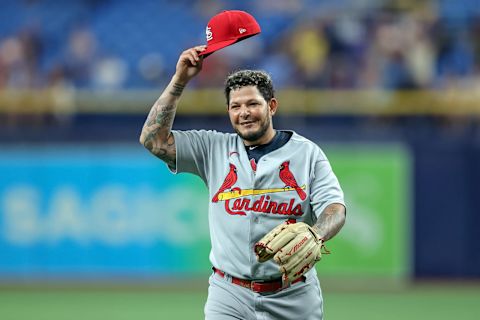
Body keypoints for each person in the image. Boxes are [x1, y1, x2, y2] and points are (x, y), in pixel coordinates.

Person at [139, 45, 346, 320]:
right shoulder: (212, 148)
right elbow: (153, 140)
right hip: (229, 294)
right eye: (235, 106)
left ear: (271, 106)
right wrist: (180, 81)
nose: (244, 112)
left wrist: (317, 233)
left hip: (292, 296)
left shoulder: (307, 153)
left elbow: (335, 208)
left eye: (252, 104)